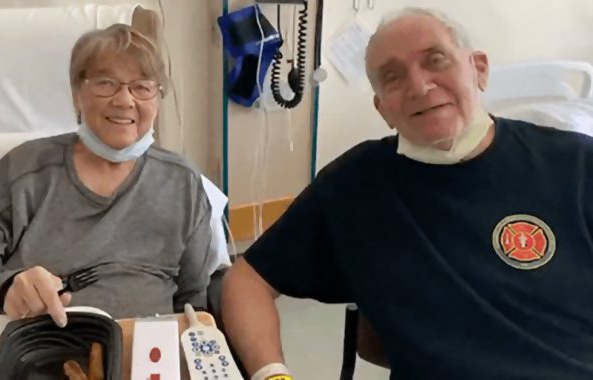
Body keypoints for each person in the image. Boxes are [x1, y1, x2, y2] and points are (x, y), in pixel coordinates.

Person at [221, 7, 593, 380]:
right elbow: (247, 280)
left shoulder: (575, 165)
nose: (419, 86)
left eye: (436, 60)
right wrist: (273, 375)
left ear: (479, 68)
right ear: (382, 108)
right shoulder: (356, 185)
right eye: (393, 77)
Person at [0, 23, 216, 328]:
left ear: (156, 99)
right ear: (76, 95)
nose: (125, 100)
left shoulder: (182, 182)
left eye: (142, 86)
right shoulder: (23, 172)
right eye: (106, 83)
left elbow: (194, 298)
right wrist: (7, 290)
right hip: (44, 349)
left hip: (150, 355)